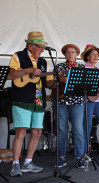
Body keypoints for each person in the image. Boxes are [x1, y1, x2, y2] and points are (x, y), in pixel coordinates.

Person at [7, 31, 54, 176]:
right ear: (30, 45)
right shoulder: (18, 56)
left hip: (38, 100)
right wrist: (28, 70)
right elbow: (9, 75)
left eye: (43, 47)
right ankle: (15, 164)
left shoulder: (44, 62)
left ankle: (27, 162)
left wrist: (58, 81)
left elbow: (49, 82)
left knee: (37, 131)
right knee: (21, 130)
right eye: (39, 46)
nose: (42, 49)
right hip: (21, 98)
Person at [52, 44, 86, 168]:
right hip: (61, 101)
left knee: (78, 130)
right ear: (65, 54)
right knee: (62, 130)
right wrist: (63, 79)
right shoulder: (59, 66)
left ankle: (79, 157)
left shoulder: (82, 67)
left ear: (77, 54)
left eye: (73, 52)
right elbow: (55, 81)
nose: (70, 54)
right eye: (68, 52)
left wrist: (64, 78)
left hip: (78, 102)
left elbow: (78, 82)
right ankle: (61, 157)